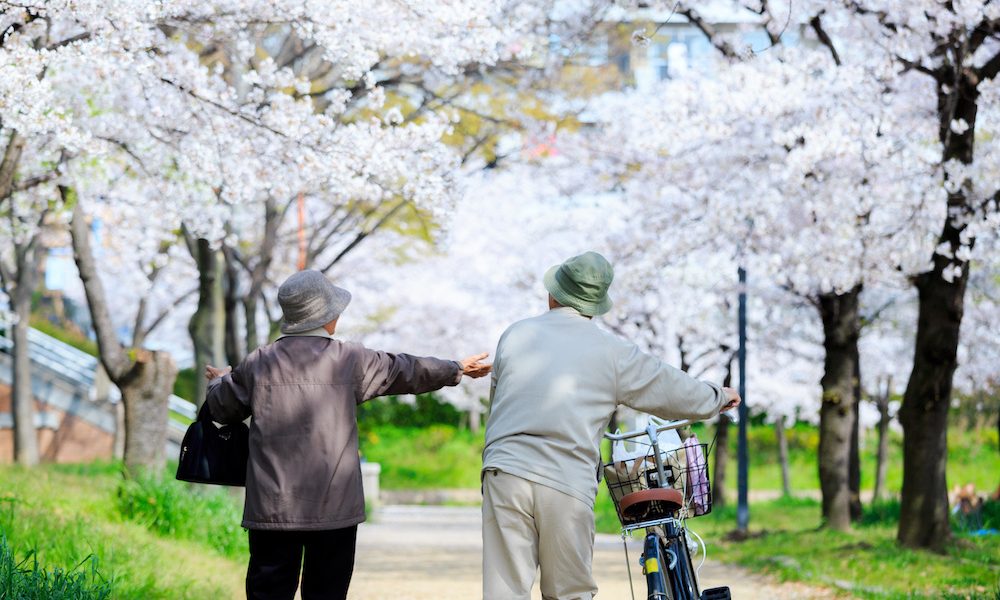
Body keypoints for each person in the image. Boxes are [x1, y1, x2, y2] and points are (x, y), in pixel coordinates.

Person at [204, 269, 491, 600]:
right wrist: (456, 368)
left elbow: (221, 408)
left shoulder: (259, 361)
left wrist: (220, 380)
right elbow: (406, 370)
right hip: (334, 508)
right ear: (327, 318)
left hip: (273, 509)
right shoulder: (349, 359)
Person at [481, 251, 740, 600]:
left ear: (553, 294)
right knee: (570, 592)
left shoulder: (514, 335)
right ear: (594, 306)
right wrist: (717, 397)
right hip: (566, 479)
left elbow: (498, 405)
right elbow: (668, 388)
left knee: (504, 592)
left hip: (505, 472)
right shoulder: (611, 350)